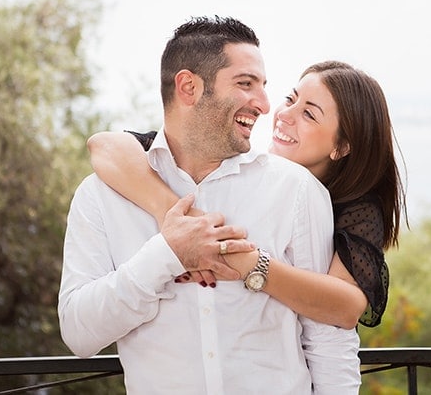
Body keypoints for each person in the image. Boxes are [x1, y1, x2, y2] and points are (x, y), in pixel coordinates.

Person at [58, 16, 361, 394]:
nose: (266, 106)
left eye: (264, 87)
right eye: (245, 84)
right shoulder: (101, 196)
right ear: (189, 87)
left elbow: (330, 342)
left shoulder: (298, 191)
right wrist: (167, 255)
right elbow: (78, 333)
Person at [88, 60, 407, 330]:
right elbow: (103, 147)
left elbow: (346, 306)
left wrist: (245, 262)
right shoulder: (239, 164)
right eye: (290, 99)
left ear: (342, 146)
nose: (284, 114)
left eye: (309, 114)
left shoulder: (357, 207)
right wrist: (177, 218)